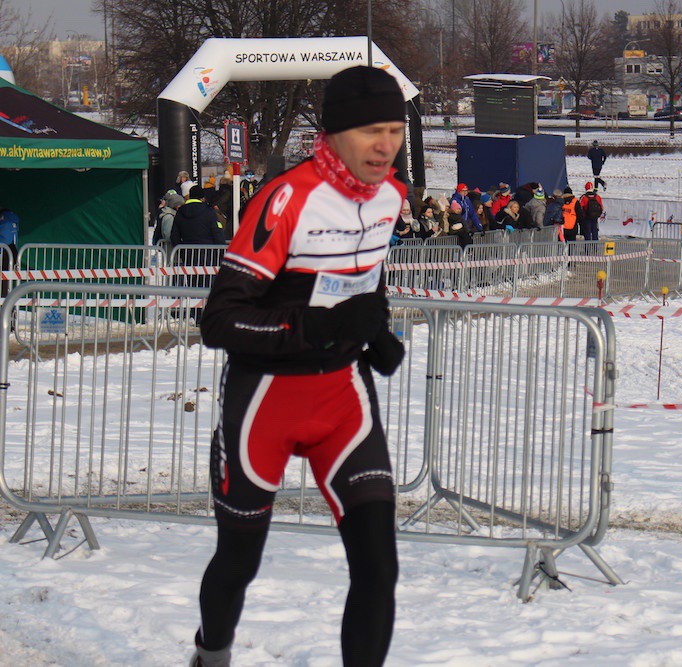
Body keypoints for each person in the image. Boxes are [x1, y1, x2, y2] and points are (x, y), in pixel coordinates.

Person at [189, 65, 408, 667]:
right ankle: (211, 656)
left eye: (394, 131)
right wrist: (320, 328)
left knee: (379, 566)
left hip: (342, 399)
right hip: (265, 401)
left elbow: (361, 278)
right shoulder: (288, 198)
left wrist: (374, 332)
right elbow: (220, 321)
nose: (385, 146)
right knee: (239, 561)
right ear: (333, 134)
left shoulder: (391, 195)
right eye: (370, 132)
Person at [0, 207, 19, 298]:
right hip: (11, 251)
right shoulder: (13, 220)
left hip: (4, 252)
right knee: (6, 280)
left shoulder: (4, 219)